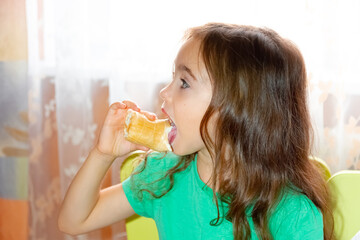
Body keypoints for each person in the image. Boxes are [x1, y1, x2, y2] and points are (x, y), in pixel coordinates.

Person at [58, 23, 334, 240]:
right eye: (172, 78)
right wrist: (103, 154)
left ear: (238, 107)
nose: (164, 93)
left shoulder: (291, 212)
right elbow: (74, 221)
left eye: (184, 83)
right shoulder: (164, 175)